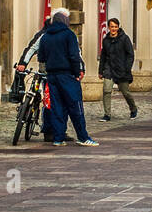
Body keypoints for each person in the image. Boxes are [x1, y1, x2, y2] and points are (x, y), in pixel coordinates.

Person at [38, 8, 98, 146]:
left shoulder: (46, 36)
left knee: (57, 107)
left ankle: (58, 138)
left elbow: (41, 57)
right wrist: (77, 73)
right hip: (67, 74)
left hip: (52, 76)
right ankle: (83, 137)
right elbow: (74, 56)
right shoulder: (69, 35)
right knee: (75, 106)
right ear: (65, 21)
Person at [99, 18, 138, 121]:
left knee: (126, 92)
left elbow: (130, 55)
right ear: (108, 27)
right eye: (112, 27)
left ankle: (133, 109)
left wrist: (127, 68)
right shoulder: (106, 40)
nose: (114, 29)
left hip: (122, 69)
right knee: (106, 91)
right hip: (109, 69)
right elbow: (103, 56)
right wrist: (101, 71)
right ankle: (107, 114)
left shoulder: (125, 39)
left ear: (118, 27)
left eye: (116, 27)